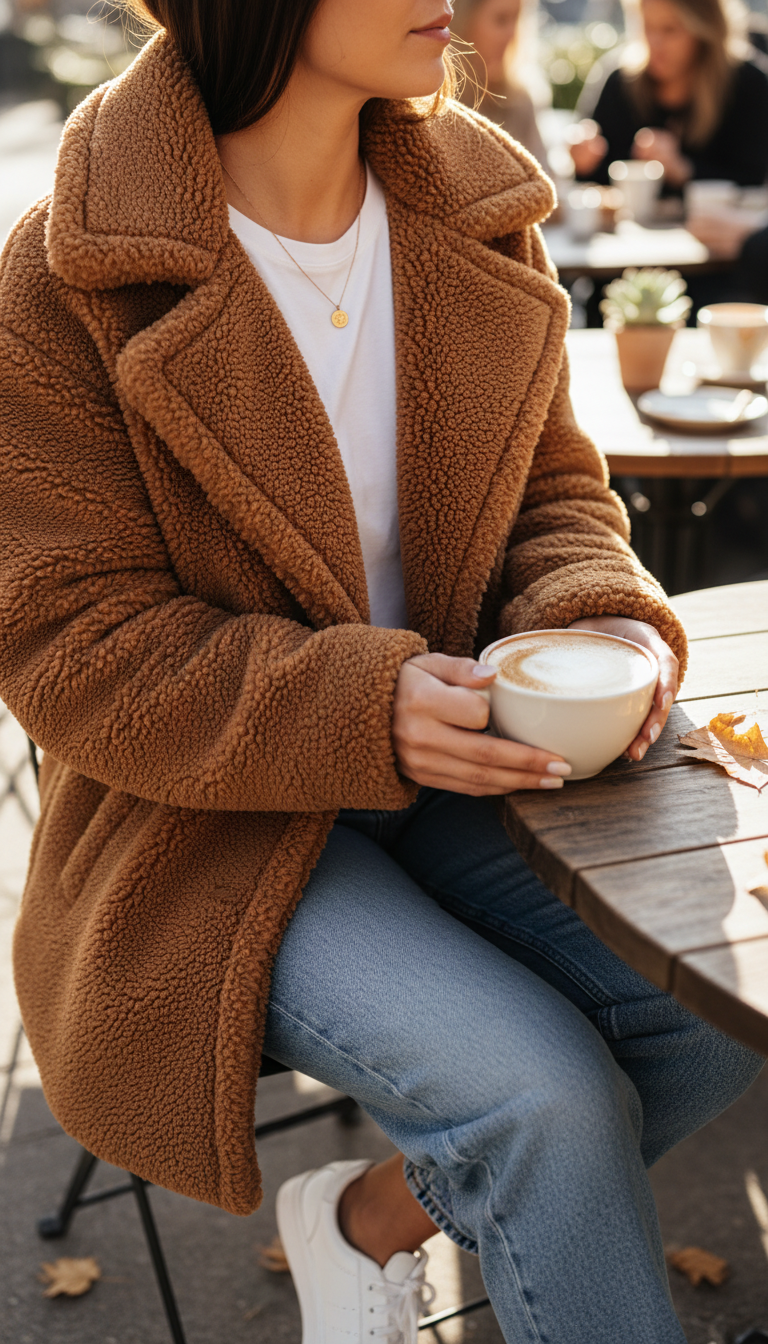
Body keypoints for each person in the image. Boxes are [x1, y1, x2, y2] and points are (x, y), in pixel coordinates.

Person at [0, 3, 762, 1343]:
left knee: (717, 1008)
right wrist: (362, 706)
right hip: (211, 821)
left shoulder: (471, 202)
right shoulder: (64, 274)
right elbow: (69, 641)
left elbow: (558, 491)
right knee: (542, 1098)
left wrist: (609, 621)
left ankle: (362, 1221)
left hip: (492, 757)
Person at [570, 0, 768, 191]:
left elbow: (754, 178)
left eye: (670, 30)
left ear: (705, 29)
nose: (655, 42)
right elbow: (593, 183)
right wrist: (583, 160)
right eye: (647, 26)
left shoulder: (748, 84)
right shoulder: (620, 81)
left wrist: (684, 170)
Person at [450, 0, 550, 166]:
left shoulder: (521, 98)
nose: (512, 34)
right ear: (464, 21)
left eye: (516, 19)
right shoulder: (434, 99)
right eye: (501, 20)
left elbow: (545, 177)